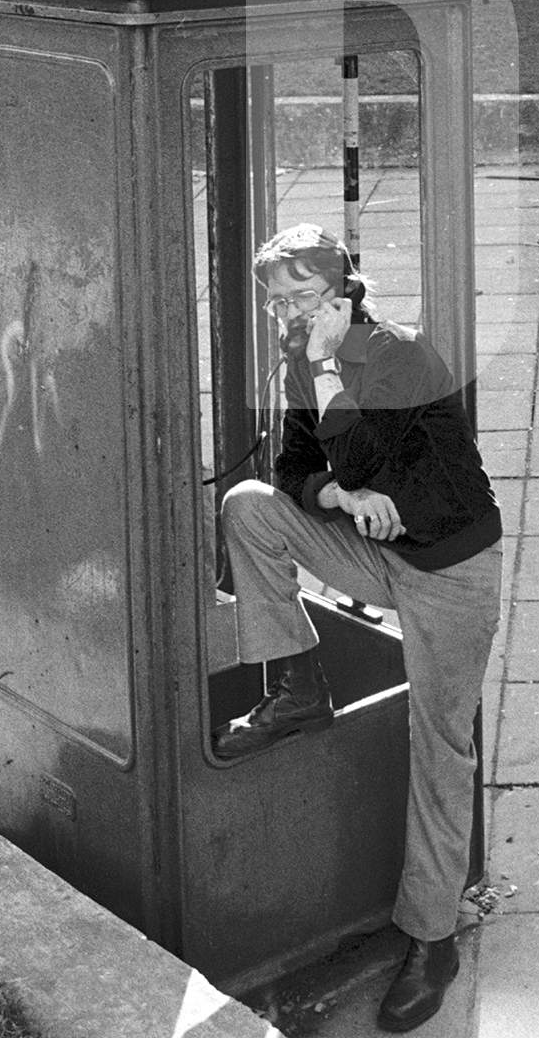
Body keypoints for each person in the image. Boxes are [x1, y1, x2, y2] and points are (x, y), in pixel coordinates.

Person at [215, 225, 502, 1034]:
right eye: (277, 300)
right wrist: (336, 500)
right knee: (248, 510)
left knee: (439, 745)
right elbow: (294, 474)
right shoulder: (305, 364)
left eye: (302, 298)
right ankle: (299, 684)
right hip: (381, 556)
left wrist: (325, 376)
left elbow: (378, 453)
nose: (288, 315)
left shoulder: (401, 356)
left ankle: (431, 940)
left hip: (450, 569)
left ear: (344, 292)